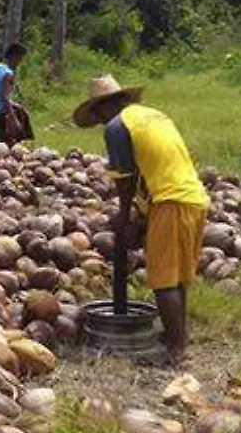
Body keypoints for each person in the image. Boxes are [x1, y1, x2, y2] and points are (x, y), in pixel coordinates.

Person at [73, 75, 208, 366]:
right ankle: (177, 337)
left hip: (170, 201)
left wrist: (123, 216)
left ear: (102, 109)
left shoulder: (116, 127)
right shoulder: (152, 116)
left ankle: (175, 351)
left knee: (162, 281)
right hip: (194, 198)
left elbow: (126, 178)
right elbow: (154, 168)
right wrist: (142, 218)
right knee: (177, 278)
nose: (99, 125)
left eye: (97, 118)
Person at [0, 44, 32, 150]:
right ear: (13, 57)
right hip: (1, 113)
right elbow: (4, 97)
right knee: (7, 144)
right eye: (19, 59)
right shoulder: (8, 74)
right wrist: (13, 119)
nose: (20, 63)